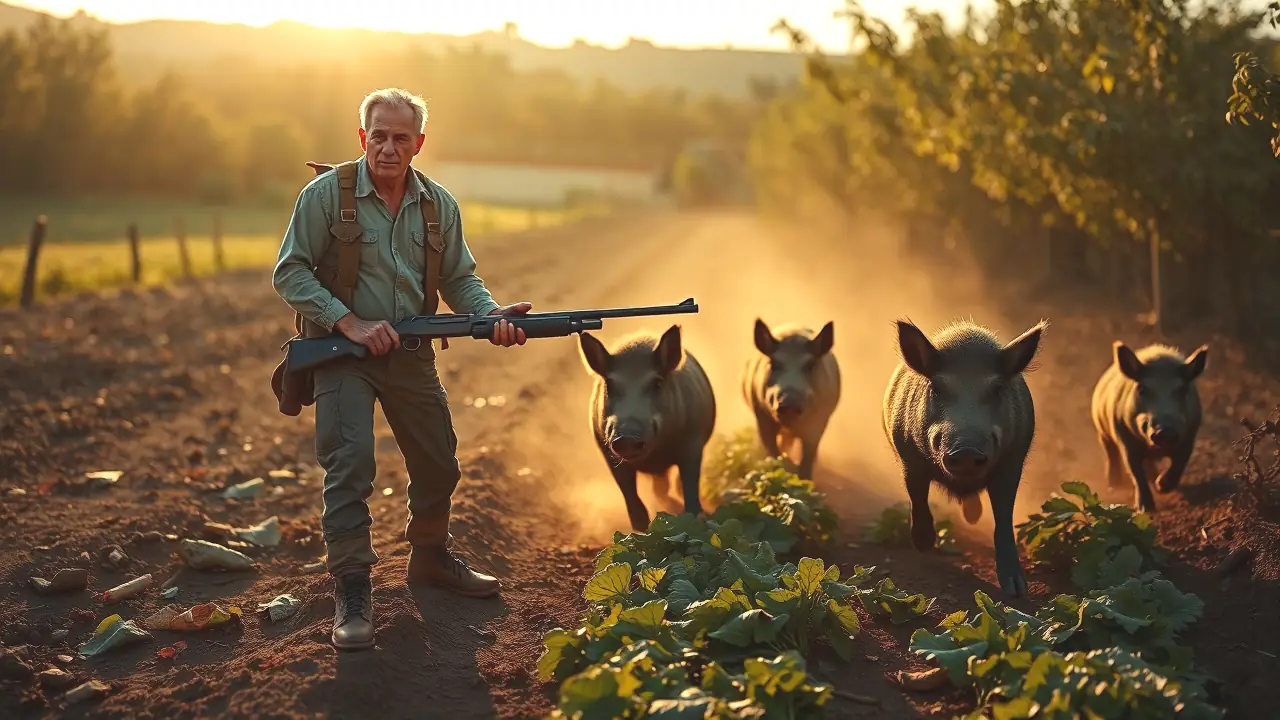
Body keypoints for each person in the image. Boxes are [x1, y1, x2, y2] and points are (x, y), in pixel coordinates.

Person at [271, 87, 531, 650]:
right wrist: (349, 323)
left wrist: (490, 317)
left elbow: (460, 280)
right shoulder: (324, 196)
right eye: (379, 136)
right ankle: (353, 590)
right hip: (343, 355)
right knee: (351, 463)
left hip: (411, 354)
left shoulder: (440, 205)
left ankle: (431, 559)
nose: (389, 148)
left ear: (418, 144)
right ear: (363, 138)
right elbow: (289, 273)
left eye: (401, 138)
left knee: (439, 461)